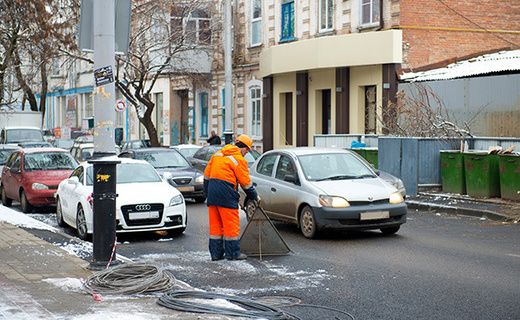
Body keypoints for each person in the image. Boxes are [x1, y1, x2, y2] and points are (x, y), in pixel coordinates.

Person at [203, 134, 258, 261]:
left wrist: (207, 194)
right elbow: (246, 183)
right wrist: (254, 197)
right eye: (247, 151)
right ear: (244, 148)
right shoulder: (238, 159)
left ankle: (216, 254)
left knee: (215, 226)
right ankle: (233, 253)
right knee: (231, 225)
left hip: (212, 192)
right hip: (226, 193)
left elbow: (206, 176)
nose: (246, 154)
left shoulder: (218, 154)